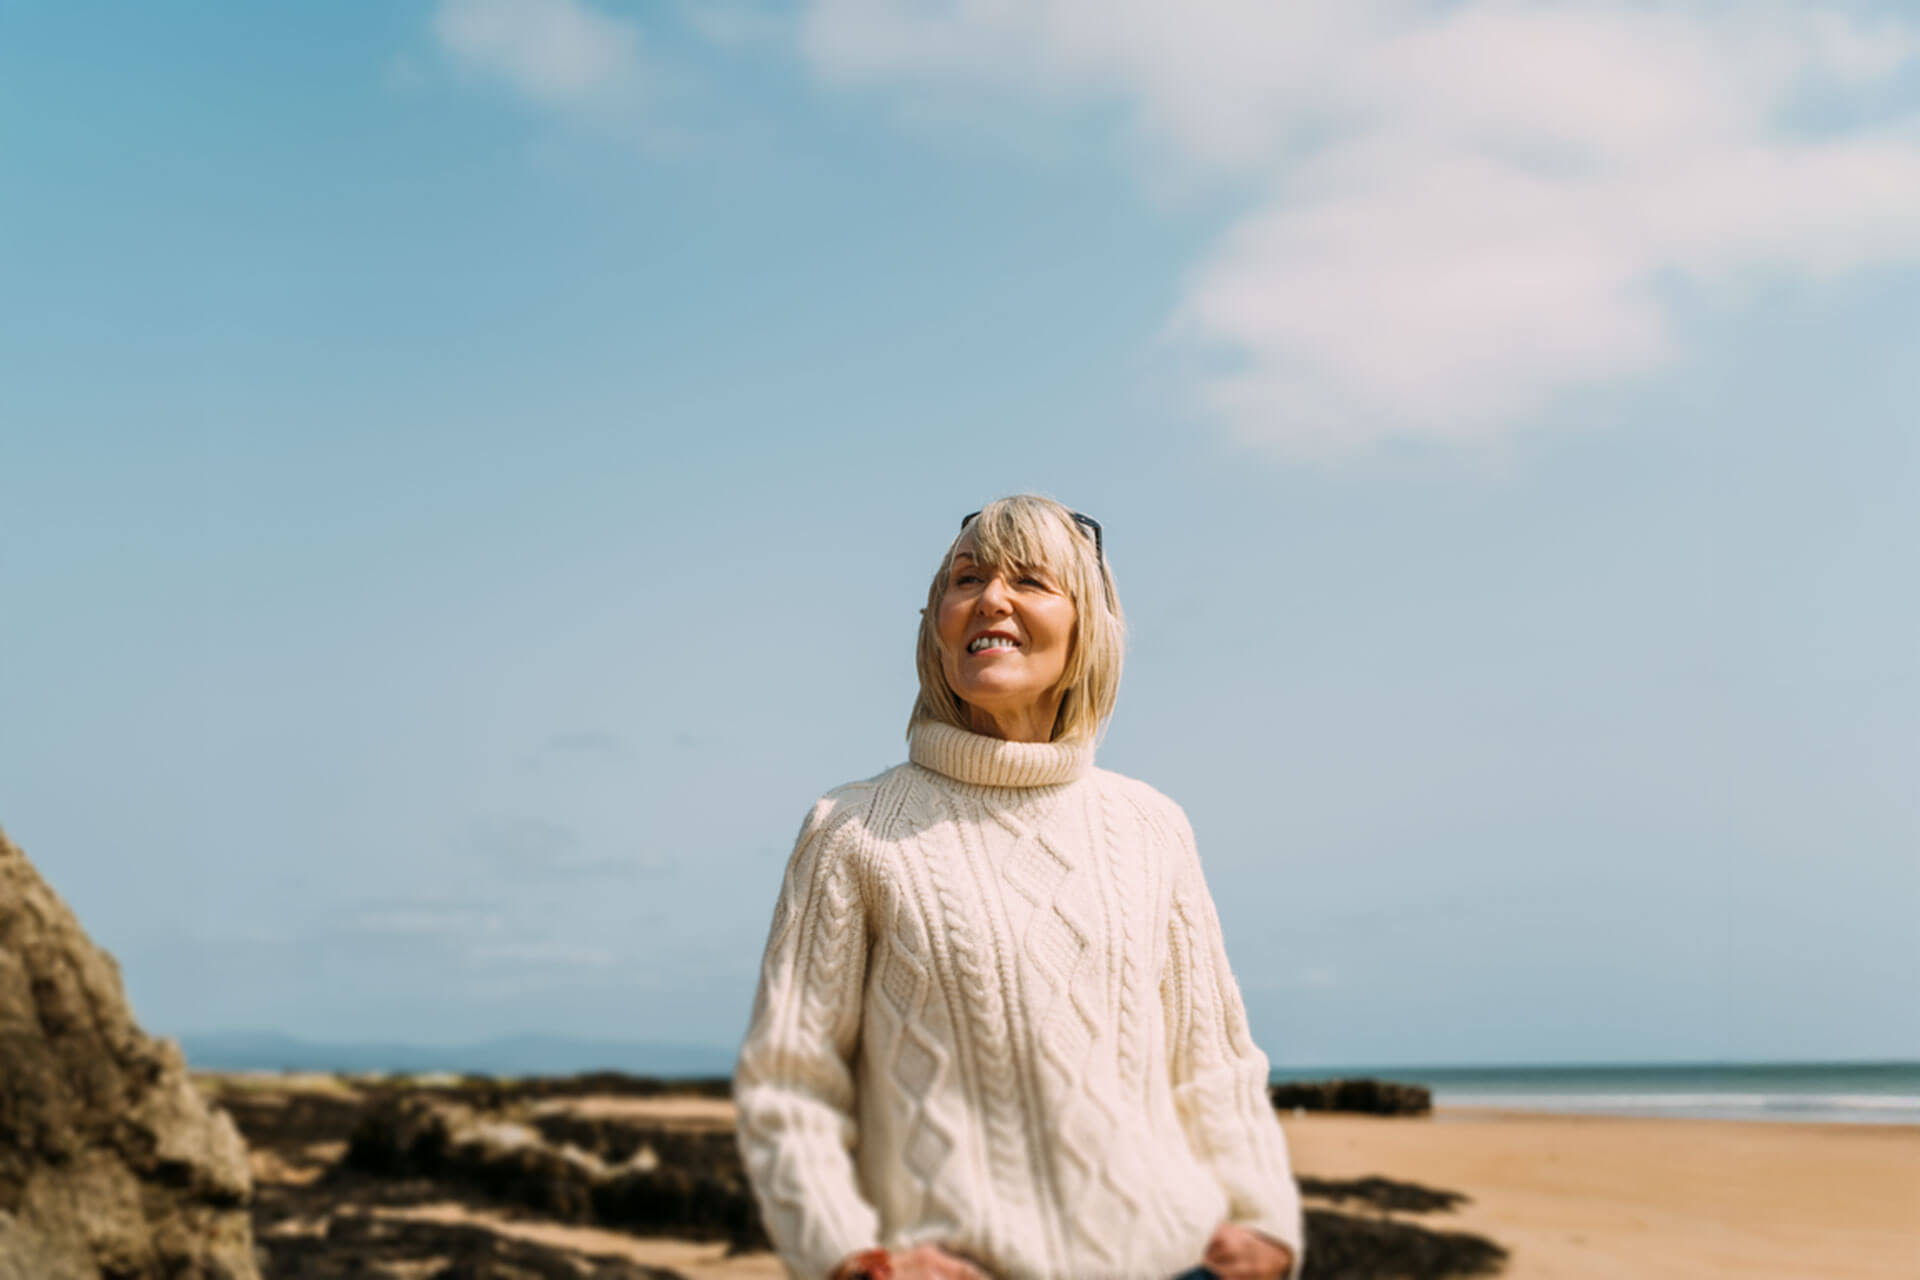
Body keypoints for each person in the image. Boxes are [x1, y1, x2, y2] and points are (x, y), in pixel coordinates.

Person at [734, 495, 1303, 1280]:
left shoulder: (1151, 825)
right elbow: (790, 1084)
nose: (990, 599)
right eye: (965, 579)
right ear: (937, 623)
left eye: (1030, 580)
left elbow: (1214, 1063)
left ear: (1086, 627)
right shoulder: (853, 830)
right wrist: (847, 1256)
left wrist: (1268, 1222)